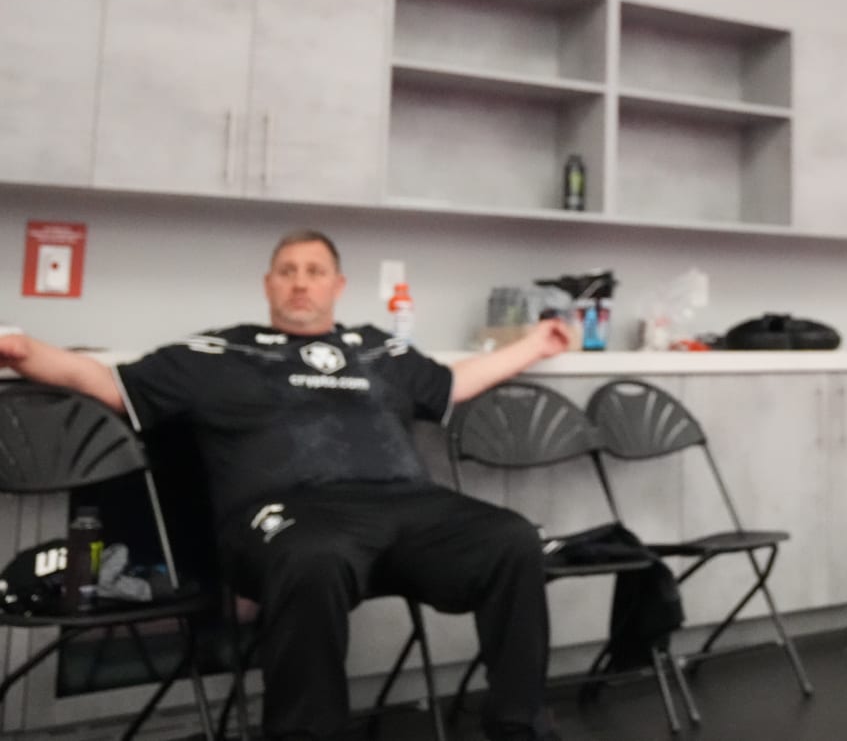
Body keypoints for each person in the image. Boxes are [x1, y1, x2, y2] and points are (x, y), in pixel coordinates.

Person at [0, 229, 573, 741]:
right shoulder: (218, 352)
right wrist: (18, 349)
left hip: (406, 506)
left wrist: (537, 345)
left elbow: (454, 383)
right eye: (288, 271)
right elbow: (105, 381)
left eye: (315, 271)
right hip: (286, 514)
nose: (301, 283)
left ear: (338, 285)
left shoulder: (379, 349)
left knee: (512, 539)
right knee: (313, 557)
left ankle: (518, 724)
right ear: (268, 284)